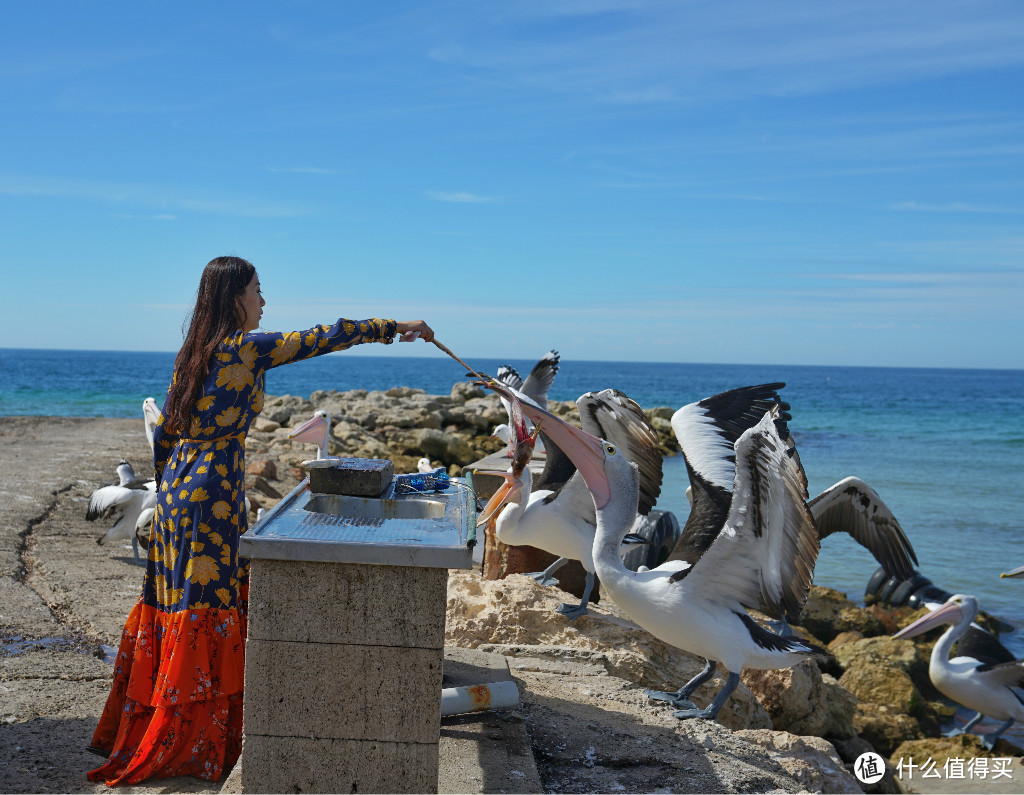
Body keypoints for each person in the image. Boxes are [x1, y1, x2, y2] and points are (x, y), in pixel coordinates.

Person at [87, 256, 434, 785]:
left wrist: (172, 486)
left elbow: (165, 434)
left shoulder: (194, 354)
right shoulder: (246, 348)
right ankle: (197, 743)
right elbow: (325, 336)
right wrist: (397, 328)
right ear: (234, 298)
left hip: (181, 487)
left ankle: (166, 726)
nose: (264, 300)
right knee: (208, 602)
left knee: (175, 599)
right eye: (257, 289)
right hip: (211, 492)